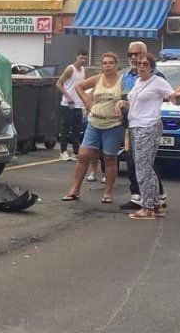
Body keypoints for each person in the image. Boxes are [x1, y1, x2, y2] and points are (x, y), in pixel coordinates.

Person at [121, 52, 180, 219]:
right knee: (145, 167)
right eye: (139, 64)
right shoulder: (138, 82)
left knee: (143, 168)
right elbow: (136, 104)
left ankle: (147, 207)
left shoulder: (158, 82)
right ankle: (156, 205)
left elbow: (173, 99)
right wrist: (124, 104)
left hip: (148, 126)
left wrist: (177, 96)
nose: (141, 66)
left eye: (145, 64)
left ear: (152, 67)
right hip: (136, 126)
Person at [62, 52, 124, 204]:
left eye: (110, 63)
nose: (107, 65)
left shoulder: (123, 81)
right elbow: (79, 86)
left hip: (113, 124)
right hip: (94, 122)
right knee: (83, 155)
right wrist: (87, 103)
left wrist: (124, 105)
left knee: (109, 158)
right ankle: (74, 190)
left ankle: (108, 192)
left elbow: (132, 95)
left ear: (117, 65)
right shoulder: (98, 78)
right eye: (104, 63)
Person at [120, 41, 167, 211]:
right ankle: (140, 197)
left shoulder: (156, 76)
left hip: (147, 124)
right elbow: (126, 96)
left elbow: (166, 96)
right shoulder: (127, 75)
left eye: (138, 55)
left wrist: (177, 96)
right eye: (130, 55)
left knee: (144, 163)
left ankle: (153, 201)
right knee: (132, 161)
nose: (134, 58)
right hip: (130, 123)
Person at [54, 51, 88, 162]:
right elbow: (59, 83)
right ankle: (63, 152)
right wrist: (68, 96)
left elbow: (82, 86)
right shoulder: (70, 69)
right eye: (81, 58)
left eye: (84, 58)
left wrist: (85, 100)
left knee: (77, 131)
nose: (82, 60)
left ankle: (75, 152)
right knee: (65, 129)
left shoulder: (83, 70)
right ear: (76, 57)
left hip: (78, 105)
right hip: (68, 105)